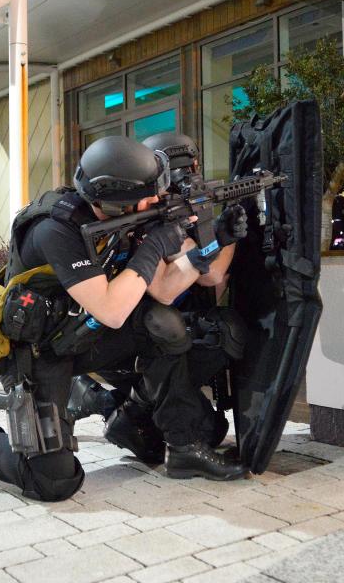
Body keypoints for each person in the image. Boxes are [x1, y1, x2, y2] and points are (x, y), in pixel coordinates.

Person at [0, 136, 249, 502]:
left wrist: (216, 240)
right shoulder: (56, 229)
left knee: (163, 325)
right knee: (52, 483)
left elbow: (166, 290)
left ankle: (184, 446)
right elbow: (111, 308)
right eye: (150, 194)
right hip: (39, 353)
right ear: (116, 199)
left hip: (83, 335)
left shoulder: (121, 218)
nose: (158, 200)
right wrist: (155, 246)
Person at [68, 133, 247, 462]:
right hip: (131, 341)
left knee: (212, 428)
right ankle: (107, 403)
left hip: (168, 336)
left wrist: (220, 232)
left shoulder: (170, 214)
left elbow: (212, 275)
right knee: (173, 333)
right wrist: (209, 238)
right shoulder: (136, 223)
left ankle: (125, 408)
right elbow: (176, 286)